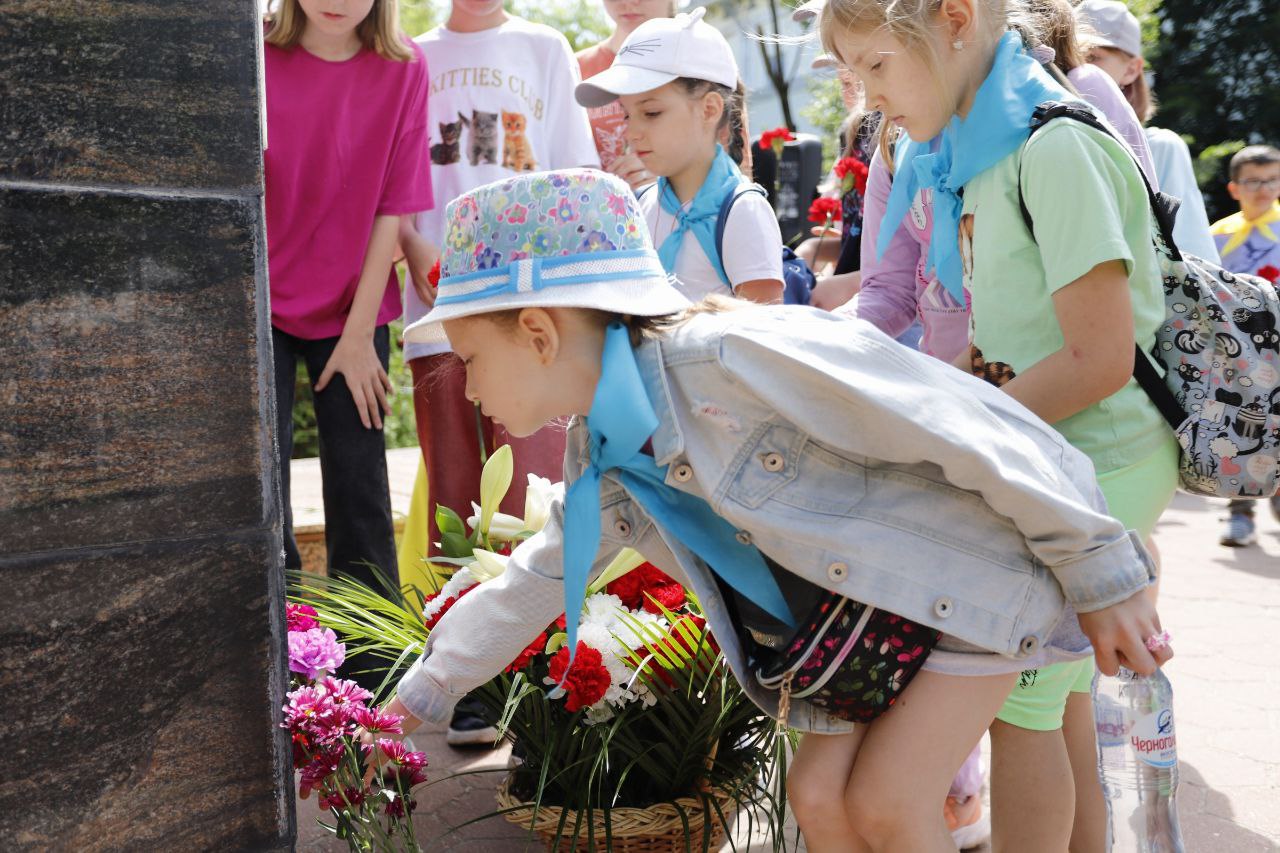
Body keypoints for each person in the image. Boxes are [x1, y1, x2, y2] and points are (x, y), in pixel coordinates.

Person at [364, 167, 1170, 853]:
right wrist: (413, 701)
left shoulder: (729, 356)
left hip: (964, 580)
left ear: (539, 332)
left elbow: (955, 420)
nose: (468, 387)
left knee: (888, 803)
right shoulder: (604, 456)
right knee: (818, 797)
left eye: (470, 359)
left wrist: (1100, 566)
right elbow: (533, 581)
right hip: (865, 624)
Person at [821, 1, 1180, 850]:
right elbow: (1002, 336)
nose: (868, 98)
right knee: (1053, 707)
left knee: (1023, 715)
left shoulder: (1052, 146)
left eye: (877, 66)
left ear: (954, 20)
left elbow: (1099, 359)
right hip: (1053, 451)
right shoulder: (980, 149)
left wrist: (954, 428)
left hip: (1097, 460)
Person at [402, 0, 599, 745]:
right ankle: (466, 685)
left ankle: (549, 676)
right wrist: (418, 254)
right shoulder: (410, 56)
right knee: (455, 493)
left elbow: (572, 176)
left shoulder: (544, 47)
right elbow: (395, 183)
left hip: (528, 317)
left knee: (536, 490)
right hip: (438, 308)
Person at [263, 0, 431, 689]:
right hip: (259, 304)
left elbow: (394, 205)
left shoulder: (404, 67)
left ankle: (374, 681)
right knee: (261, 491)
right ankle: (278, 669)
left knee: (361, 491)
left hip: (354, 308)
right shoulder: (252, 56)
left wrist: (360, 335)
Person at [576, 9, 784, 305]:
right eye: (626, 114)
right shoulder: (639, 208)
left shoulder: (743, 211)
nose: (631, 132)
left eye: (651, 113)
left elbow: (764, 329)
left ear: (709, 109)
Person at [1075, 0, 1222, 264]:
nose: (1076, 68)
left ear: (1131, 69)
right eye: (1068, 55)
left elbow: (1192, 256)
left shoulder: (1160, 147)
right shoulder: (1047, 141)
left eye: (1092, 57)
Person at [1209, 144, 1280, 546]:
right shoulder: (1217, 235)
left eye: (1272, 180)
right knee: (1240, 427)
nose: (1263, 189)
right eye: (1253, 181)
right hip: (1236, 350)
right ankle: (1240, 512)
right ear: (1234, 188)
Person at [576, 0, 677, 189]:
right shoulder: (575, 68)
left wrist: (672, 172)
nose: (627, 2)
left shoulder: (700, 59)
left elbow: (729, 158)